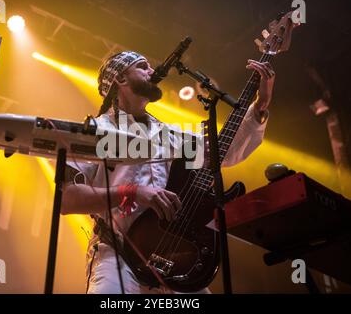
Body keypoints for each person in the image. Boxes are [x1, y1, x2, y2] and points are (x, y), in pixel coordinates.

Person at [61, 51, 275, 294]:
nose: (152, 71)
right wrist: (133, 192)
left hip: (176, 253)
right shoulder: (96, 130)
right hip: (116, 252)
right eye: (143, 67)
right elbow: (67, 199)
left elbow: (226, 151)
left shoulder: (171, 136)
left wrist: (260, 105)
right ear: (120, 79)